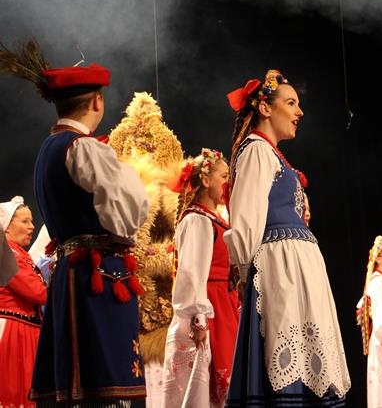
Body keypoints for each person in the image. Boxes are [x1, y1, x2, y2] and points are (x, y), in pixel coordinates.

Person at [0, 40, 151, 405]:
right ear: (97, 101)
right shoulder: (83, 147)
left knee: (75, 380)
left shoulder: (47, 150)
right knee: (104, 380)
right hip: (97, 274)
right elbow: (129, 213)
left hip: (71, 272)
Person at [223, 69, 350, 406]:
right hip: (280, 269)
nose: (299, 112)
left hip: (297, 267)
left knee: (309, 352)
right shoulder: (256, 150)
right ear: (265, 108)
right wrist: (244, 273)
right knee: (284, 346)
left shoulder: (273, 154)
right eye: (291, 103)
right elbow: (246, 219)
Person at [162, 148, 240, 407]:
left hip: (225, 305)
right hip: (211, 306)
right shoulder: (197, 220)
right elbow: (191, 273)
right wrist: (198, 319)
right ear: (205, 180)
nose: (228, 183)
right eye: (224, 176)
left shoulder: (215, 219)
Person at [0, 196, 47, 408]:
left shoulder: (20, 255)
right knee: (14, 393)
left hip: (25, 330)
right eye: (25, 221)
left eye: (32, 221)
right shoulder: (7, 254)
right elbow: (38, 293)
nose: (32, 226)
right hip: (13, 331)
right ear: (7, 227)